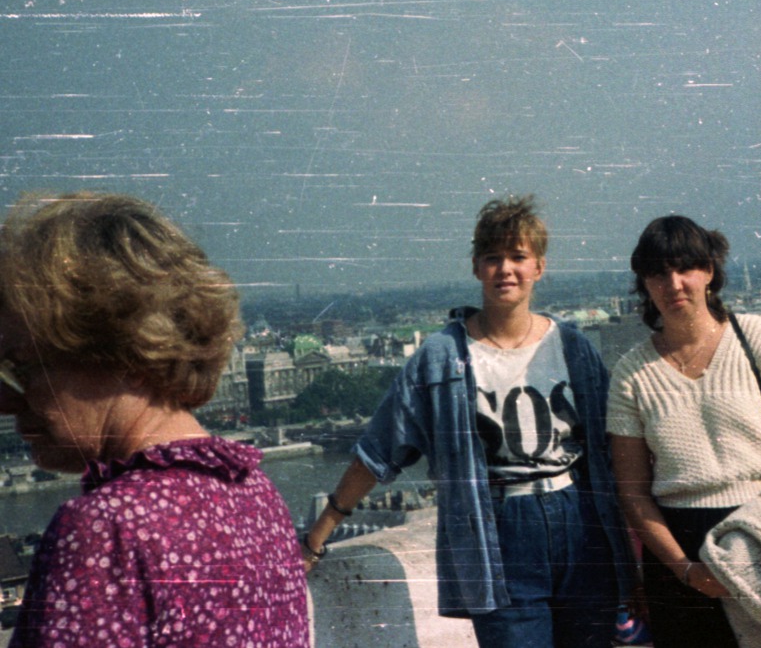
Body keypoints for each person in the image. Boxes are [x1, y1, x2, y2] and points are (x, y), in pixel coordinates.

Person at [303, 195, 633, 648]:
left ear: (539, 266)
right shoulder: (440, 359)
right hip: (497, 533)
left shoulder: (574, 348)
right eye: (493, 258)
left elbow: (619, 448)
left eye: (518, 257)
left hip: (582, 525)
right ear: (476, 267)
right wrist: (317, 535)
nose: (506, 270)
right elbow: (380, 451)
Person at [0, 192, 308, 647]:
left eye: (22, 368)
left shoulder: (105, 530)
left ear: (124, 352)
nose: (6, 401)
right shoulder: (256, 493)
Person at [607, 215, 761, 648]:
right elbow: (633, 492)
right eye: (659, 272)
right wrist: (684, 567)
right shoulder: (630, 374)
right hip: (678, 549)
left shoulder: (757, 337)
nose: (674, 283)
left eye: (686, 267)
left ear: (710, 271)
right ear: (643, 283)